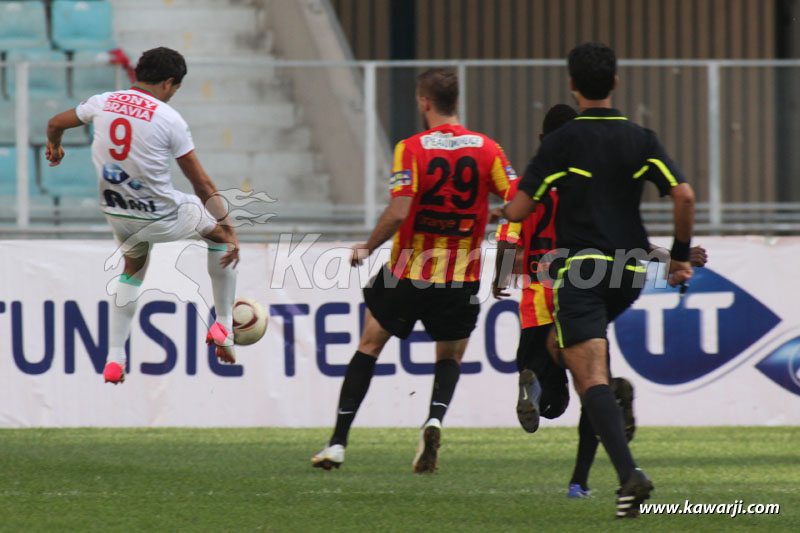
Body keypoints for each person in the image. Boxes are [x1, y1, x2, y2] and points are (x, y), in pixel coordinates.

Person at [491, 42, 695, 518]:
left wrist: (501, 211)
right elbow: (684, 197)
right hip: (629, 272)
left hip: (582, 271)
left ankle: (630, 476)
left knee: (589, 378)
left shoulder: (560, 143)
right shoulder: (641, 138)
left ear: (572, 85)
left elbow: (520, 210)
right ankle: (603, 437)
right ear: (615, 83)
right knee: (572, 352)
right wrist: (681, 258)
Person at [311, 68, 515, 473]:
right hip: (461, 275)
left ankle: (337, 443)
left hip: (408, 269)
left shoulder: (411, 148)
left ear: (424, 102)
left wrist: (368, 247)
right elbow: (520, 202)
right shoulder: (488, 149)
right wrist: (500, 238)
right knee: (450, 356)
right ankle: (434, 420)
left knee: (369, 345)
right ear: (456, 101)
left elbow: (399, 210)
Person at [45, 47, 240, 383]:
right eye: (175, 88)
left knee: (133, 268)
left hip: (117, 212)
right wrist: (228, 228)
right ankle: (223, 324)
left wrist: (55, 145)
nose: (173, 94)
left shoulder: (103, 102)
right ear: (168, 83)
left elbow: (55, 122)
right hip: (161, 214)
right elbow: (202, 184)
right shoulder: (169, 118)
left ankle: (114, 358)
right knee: (221, 237)